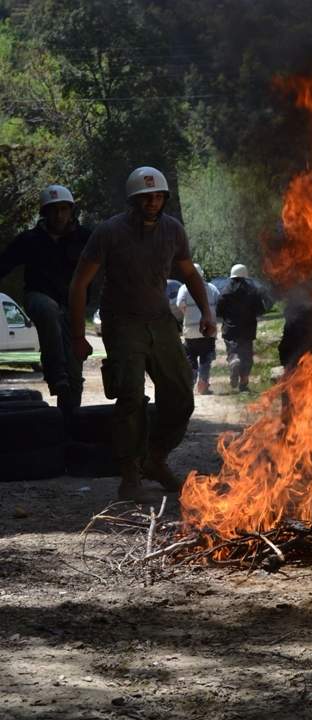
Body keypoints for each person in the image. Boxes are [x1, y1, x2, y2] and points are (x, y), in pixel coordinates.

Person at [69, 166, 215, 502]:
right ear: (133, 200)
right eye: (146, 197)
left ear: (165, 199)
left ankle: (155, 458)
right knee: (131, 397)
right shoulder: (109, 232)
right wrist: (78, 335)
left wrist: (206, 311)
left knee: (181, 396)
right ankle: (130, 475)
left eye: (158, 197)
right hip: (122, 322)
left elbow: (190, 273)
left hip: (161, 320)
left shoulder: (173, 230)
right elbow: (79, 283)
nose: (152, 202)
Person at [0, 184, 91, 410]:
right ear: (45, 213)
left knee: (74, 377)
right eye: (53, 210)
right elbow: (3, 265)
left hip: (73, 307)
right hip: (37, 298)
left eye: (63, 209)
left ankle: (69, 425)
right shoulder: (29, 240)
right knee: (49, 309)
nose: (59, 215)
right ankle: (54, 373)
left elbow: (108, 266)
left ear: (71, 211)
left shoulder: (86, 239)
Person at [216, 263, 267, 392]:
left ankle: (234, 359)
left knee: (233, 350)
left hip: (230, 329)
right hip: (248, 329)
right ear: (245, 276)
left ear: (232, 275)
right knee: (247, 355)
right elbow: (261, 310)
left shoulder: (226, 291)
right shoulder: (253, 291)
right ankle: (244, 382)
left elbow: (218, 311)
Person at [177, 263, 220, 395]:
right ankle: (203, 383)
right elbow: (219, 304)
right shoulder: (212, 288)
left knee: (191, 357)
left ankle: (191, 380)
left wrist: (189, 315)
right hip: (208, 330)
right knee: (206, 358)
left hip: (190, 332)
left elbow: (180, 304)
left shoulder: (184, 289)